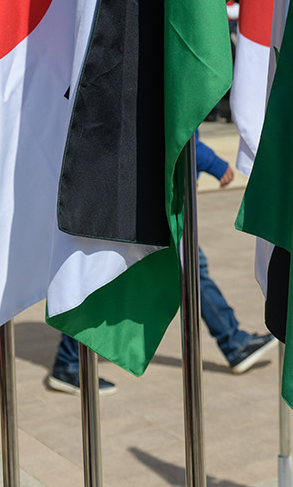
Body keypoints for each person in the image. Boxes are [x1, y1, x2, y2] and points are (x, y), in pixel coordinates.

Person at [46, 134, 277, 395]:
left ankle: (232, 341)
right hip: (150, 192)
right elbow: (176, 130)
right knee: (178, 270)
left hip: (150, 189)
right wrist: (213, 163)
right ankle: (232, 342)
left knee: (115, 275)